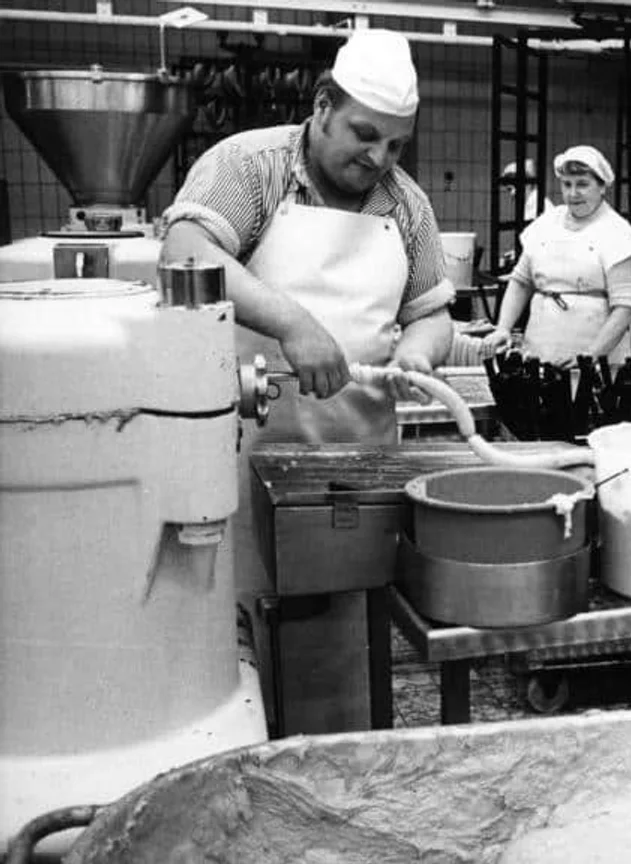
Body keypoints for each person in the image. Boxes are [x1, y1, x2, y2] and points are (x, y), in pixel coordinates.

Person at [158, 28, 455, 734]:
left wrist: (419, 354)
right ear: (322, 105)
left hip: (352, 471)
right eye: (364, 135)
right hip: (237, 462)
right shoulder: (249, 166)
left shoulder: (406, 205)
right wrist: (294, 323)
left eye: (396, 146)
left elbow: (434, 313)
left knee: (339, 657)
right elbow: (184, 253)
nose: (378, 158)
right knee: (233, 658)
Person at [481, 145, 631, 367]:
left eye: (583, 185)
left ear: (602, 186)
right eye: (567, 184)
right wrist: (503, 328)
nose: (573, 193)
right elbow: (520, 282)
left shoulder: (617, 233)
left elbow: (626, 308)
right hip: (539, 350)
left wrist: (590, 356)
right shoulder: (546, 224)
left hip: (598, 362)